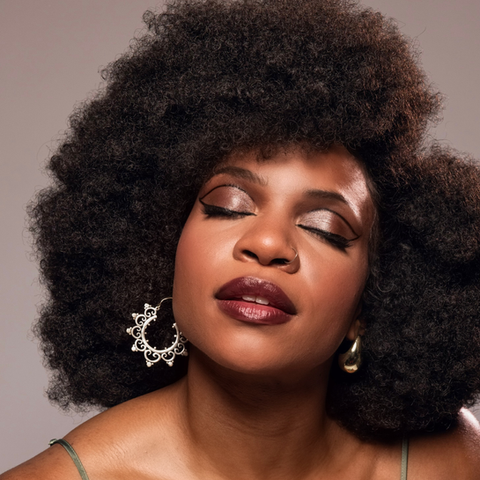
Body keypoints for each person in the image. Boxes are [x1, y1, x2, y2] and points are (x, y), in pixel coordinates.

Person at [2, 0, 480, 478]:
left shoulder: (451, 462)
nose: (268, 244)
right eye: (229, 205)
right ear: (163, 249)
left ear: (369, 305)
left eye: (324, 227)